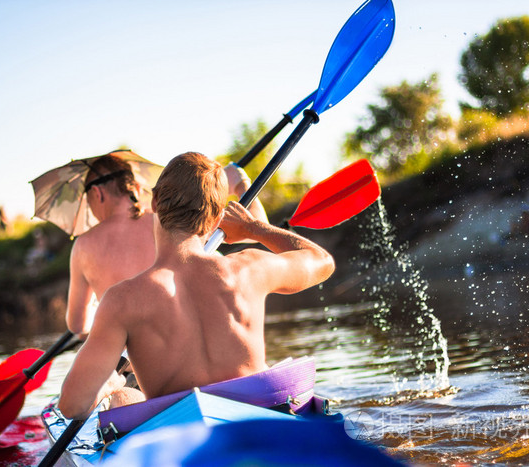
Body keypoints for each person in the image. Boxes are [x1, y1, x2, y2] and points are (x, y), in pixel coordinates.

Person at [58, 152, 334, 420]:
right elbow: (322, 261)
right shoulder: (249, 268)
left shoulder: (122, 300)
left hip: (184, 435)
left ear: (153, 202)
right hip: (257, 421)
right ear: (216, 220)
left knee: (121, 398)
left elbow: (72, 406)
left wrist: (108, 387)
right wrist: (254, 229)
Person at [66, 152, 267, 339]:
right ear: (136, 188)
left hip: (135, 364)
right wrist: (240, 182)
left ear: (97, 192)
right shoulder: (168, 220)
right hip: (193, 345)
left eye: (87, 198)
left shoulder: (82, 246)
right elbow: (257, 228)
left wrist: (99, 306)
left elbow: (78, 325)